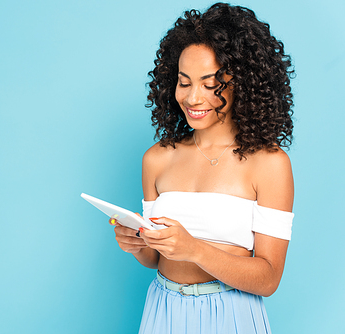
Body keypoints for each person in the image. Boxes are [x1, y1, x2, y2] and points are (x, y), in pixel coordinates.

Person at [110, 3, 295, 333]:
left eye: (211, 84)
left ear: (244, 83)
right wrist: (136, 245)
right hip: (163, 309)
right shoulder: (156, 158)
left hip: (232, 314)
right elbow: (156, 258)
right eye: (184, 82)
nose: (193, 98)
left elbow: (268, 278)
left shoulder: (270, 164)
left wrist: (194, 248)